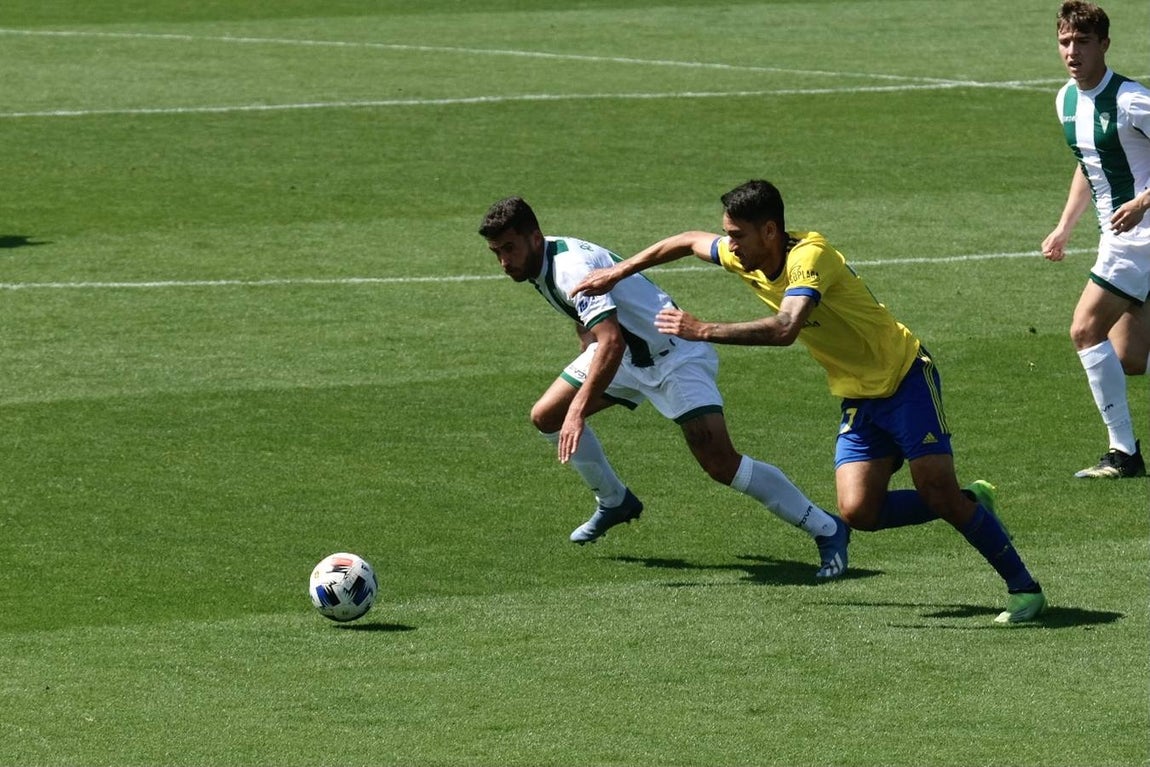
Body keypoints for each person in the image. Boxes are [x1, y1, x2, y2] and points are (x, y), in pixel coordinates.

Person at [572, 180, 1047, 623]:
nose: (730, 245)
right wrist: (618, 271)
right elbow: (686, 240)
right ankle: (970, 503)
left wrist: (703, 330)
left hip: (905, 379)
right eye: (728, 235)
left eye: (737, 235)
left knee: (936, 488)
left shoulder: (811, 258)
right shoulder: (746, 255)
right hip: (859, 396)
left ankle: (1025, 590)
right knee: (859, 513)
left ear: (771, 231)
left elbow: (785, 328)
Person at [477, 196, 851, 579]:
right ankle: (615, 501)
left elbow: (610, 342)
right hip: (625, 354)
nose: (505, 261)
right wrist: (583, 355)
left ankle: (826, 527)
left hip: (673, 355)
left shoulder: (568, 268)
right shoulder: (542, 260)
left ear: (535, 238)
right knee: (546, 416)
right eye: (496, 252)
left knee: (720, 463)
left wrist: (578, 411)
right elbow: (590, 318)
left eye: (510, 248)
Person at [1041, 0, 1150, 479]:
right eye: (1065, 41)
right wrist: (1065, 226)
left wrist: (1144, 201)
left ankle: (1123, 453)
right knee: (1129, 359)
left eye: (1082, 42)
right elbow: (1090, 163)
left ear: (1104, 44)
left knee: (1085, 329)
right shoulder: (1065, 99)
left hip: (1143, 236)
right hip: (1116, 236)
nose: (1072, 51)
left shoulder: (1130, 99)